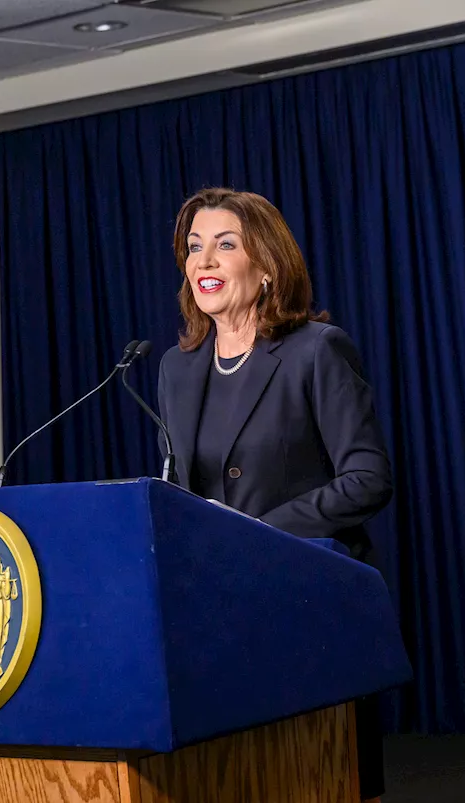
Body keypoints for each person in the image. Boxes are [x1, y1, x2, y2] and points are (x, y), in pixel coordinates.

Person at [157, 188, 393, 801]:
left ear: (265, 267)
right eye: (194, 247)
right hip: (213, 608)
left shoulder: (316, 350)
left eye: (225, 245)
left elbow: (367, 478)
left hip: (304, 597)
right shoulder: (177, 369)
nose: (204, 261)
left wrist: (257, 533)